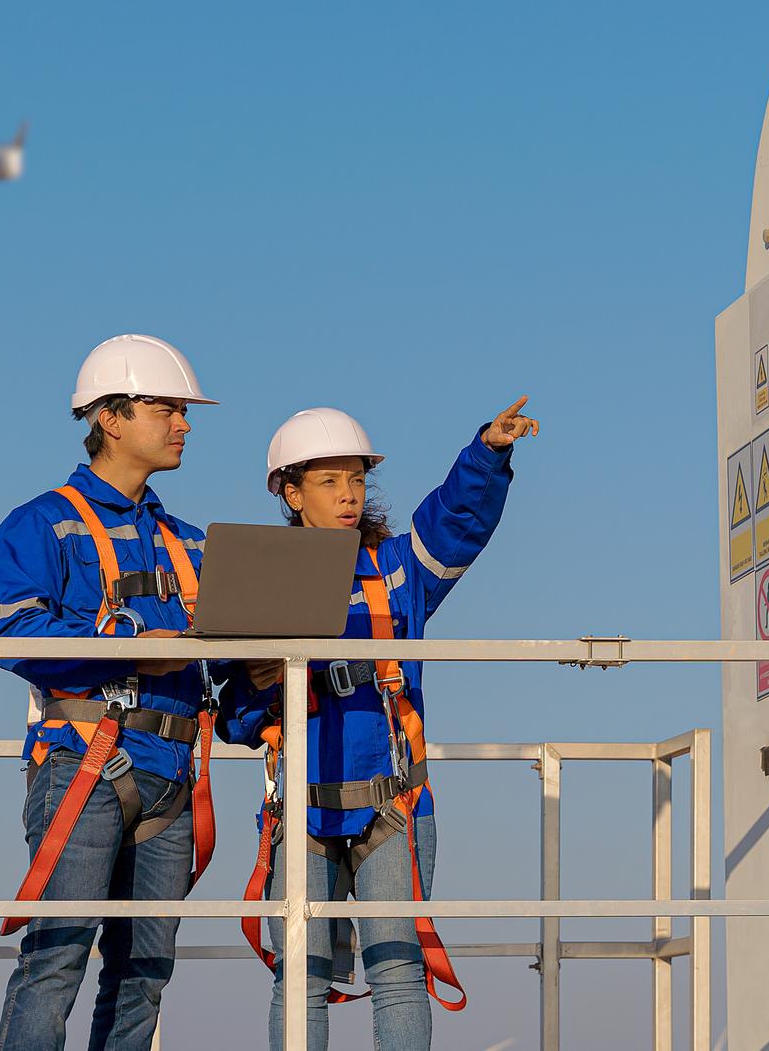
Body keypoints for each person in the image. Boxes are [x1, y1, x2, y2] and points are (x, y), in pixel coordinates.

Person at [231, 397, 539, 1051]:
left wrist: (488, 452)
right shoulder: (258, 583)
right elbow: (232, 713)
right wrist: (258, 687)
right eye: (329, 481)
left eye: (357, 479)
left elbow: (457, 520)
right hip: (303, 813)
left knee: (399, 973)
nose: (348, 495)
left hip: (392, 807)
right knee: (301, 976)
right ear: (291, 493)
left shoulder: (399, 571)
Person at [0, 333, 237, 1051]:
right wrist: (127, 646)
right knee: (56, 959)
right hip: (84, 764)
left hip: (174, 776)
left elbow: (222, 666)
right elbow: (14, 635)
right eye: (168, 409)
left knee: (145, 973)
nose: (184, 424)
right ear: (111, 418)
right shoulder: (40, 524)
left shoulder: (191, 543)